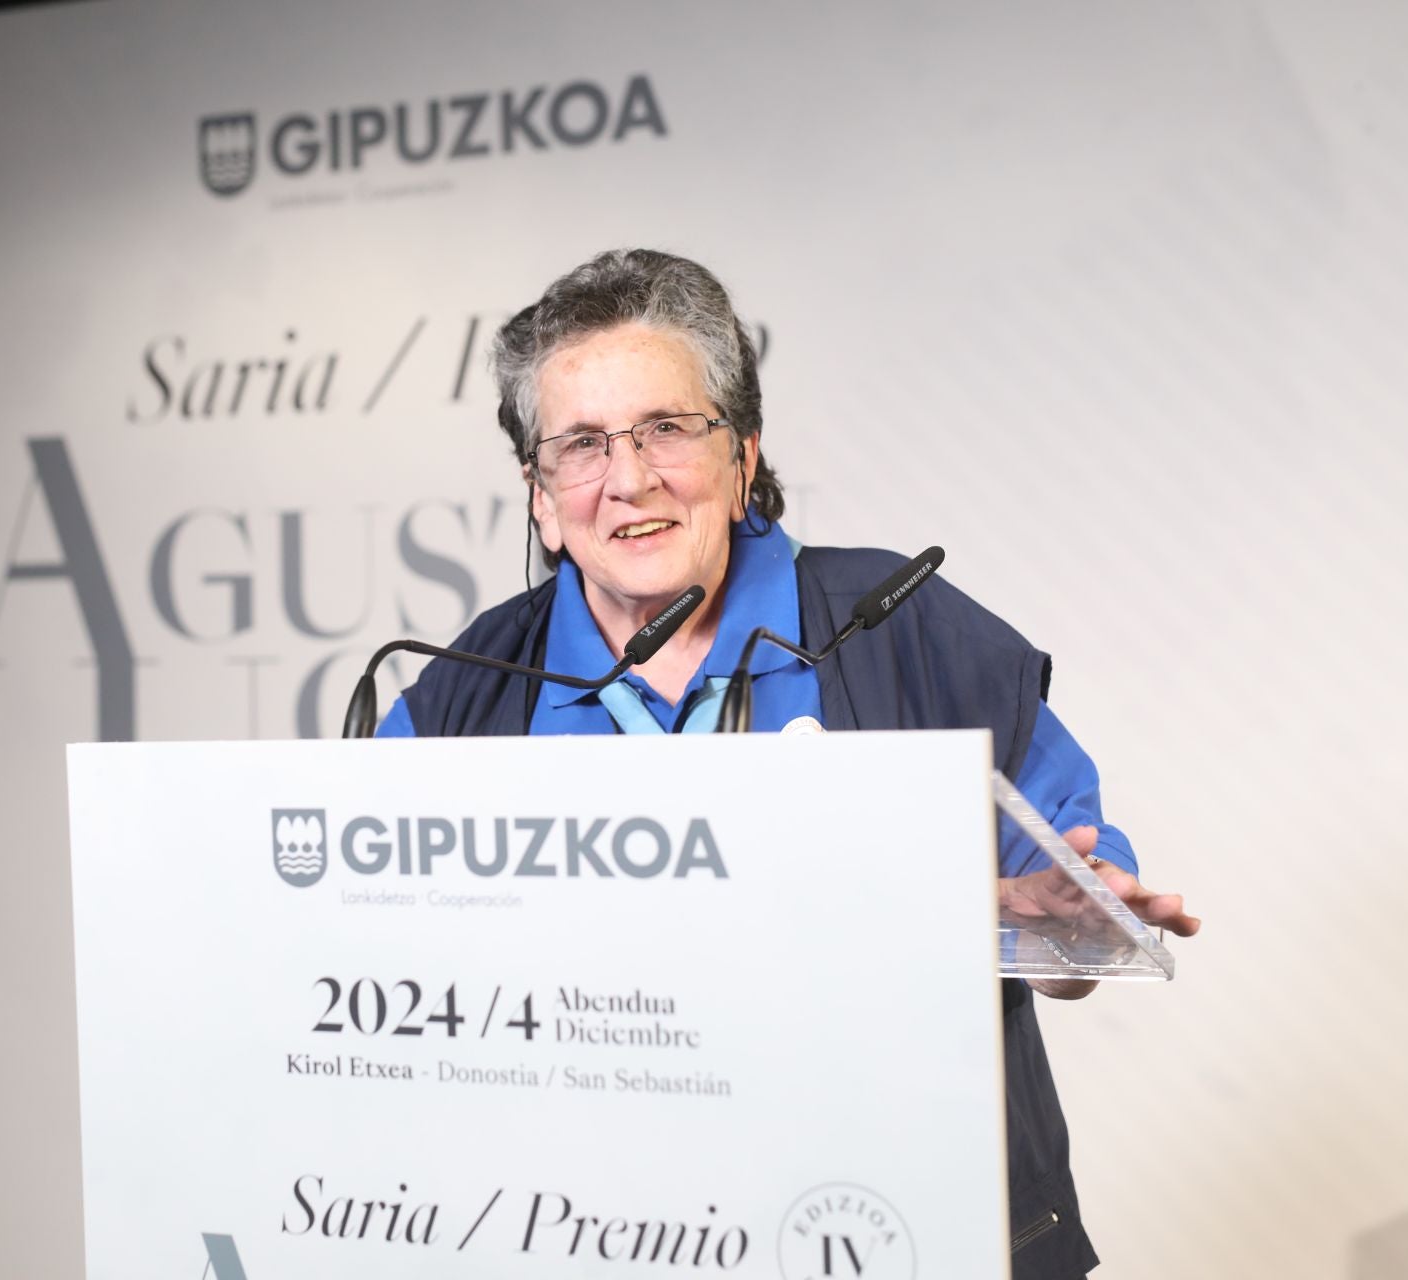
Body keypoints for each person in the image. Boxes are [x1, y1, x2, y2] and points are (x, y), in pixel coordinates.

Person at [376, 248, 1199, 1278]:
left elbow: (1069, 906)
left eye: (667, 428)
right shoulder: (464, 691)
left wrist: (1062, 922)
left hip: (903, 1232)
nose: (628, 479)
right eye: (581, 444)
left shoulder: (900, 627)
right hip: (587, 1235)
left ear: (743, 456)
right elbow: (382, 965)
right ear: (540, 495)